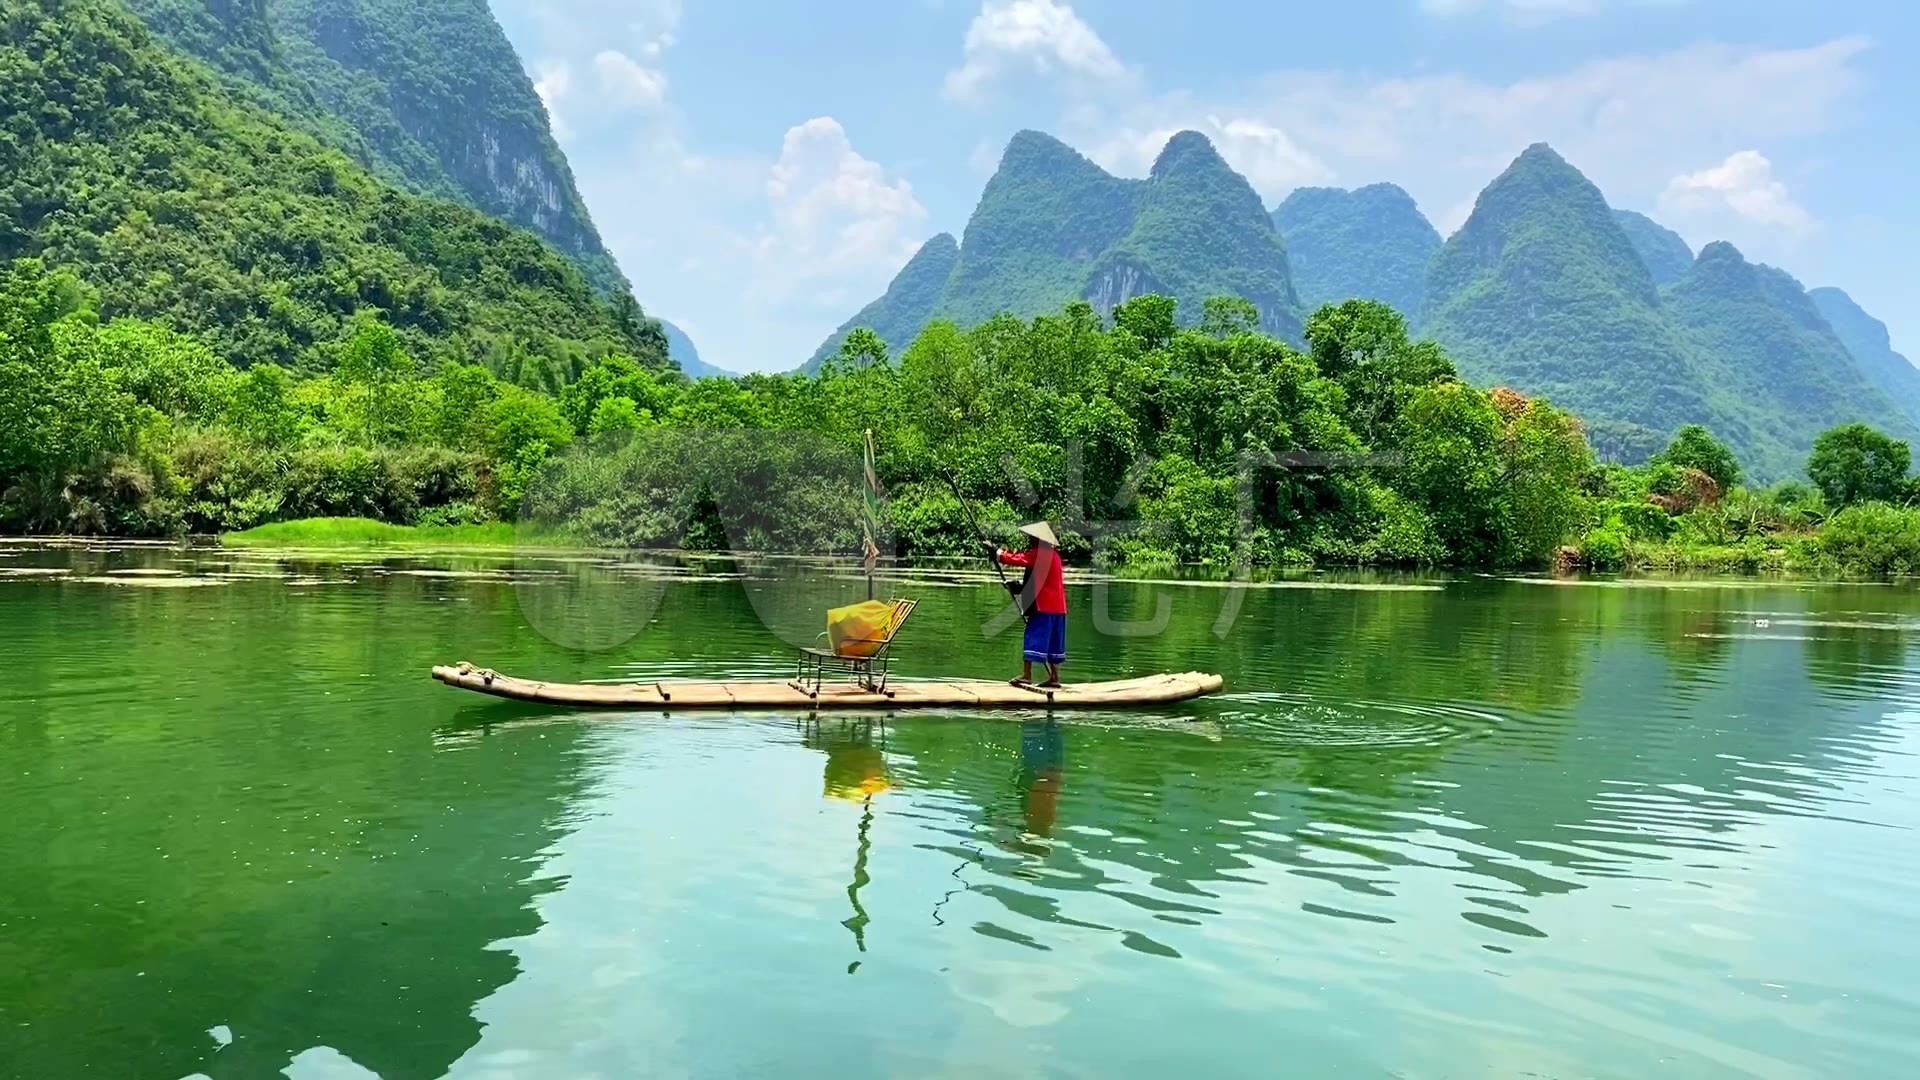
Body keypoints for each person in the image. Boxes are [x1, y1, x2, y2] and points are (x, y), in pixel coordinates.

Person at [986, 521, 1067, 687]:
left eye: (1032, 537)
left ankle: (1027, 675)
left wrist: (996, 551)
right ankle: (1054, 677)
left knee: (1032, 636)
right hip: (1058, 607)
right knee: (1053, 641)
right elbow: (1039, 580)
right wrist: (1018, 587)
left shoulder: (1041, 553)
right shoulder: (1054, 555)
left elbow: (1015, 559)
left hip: (1044, 605)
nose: (1029, 539)